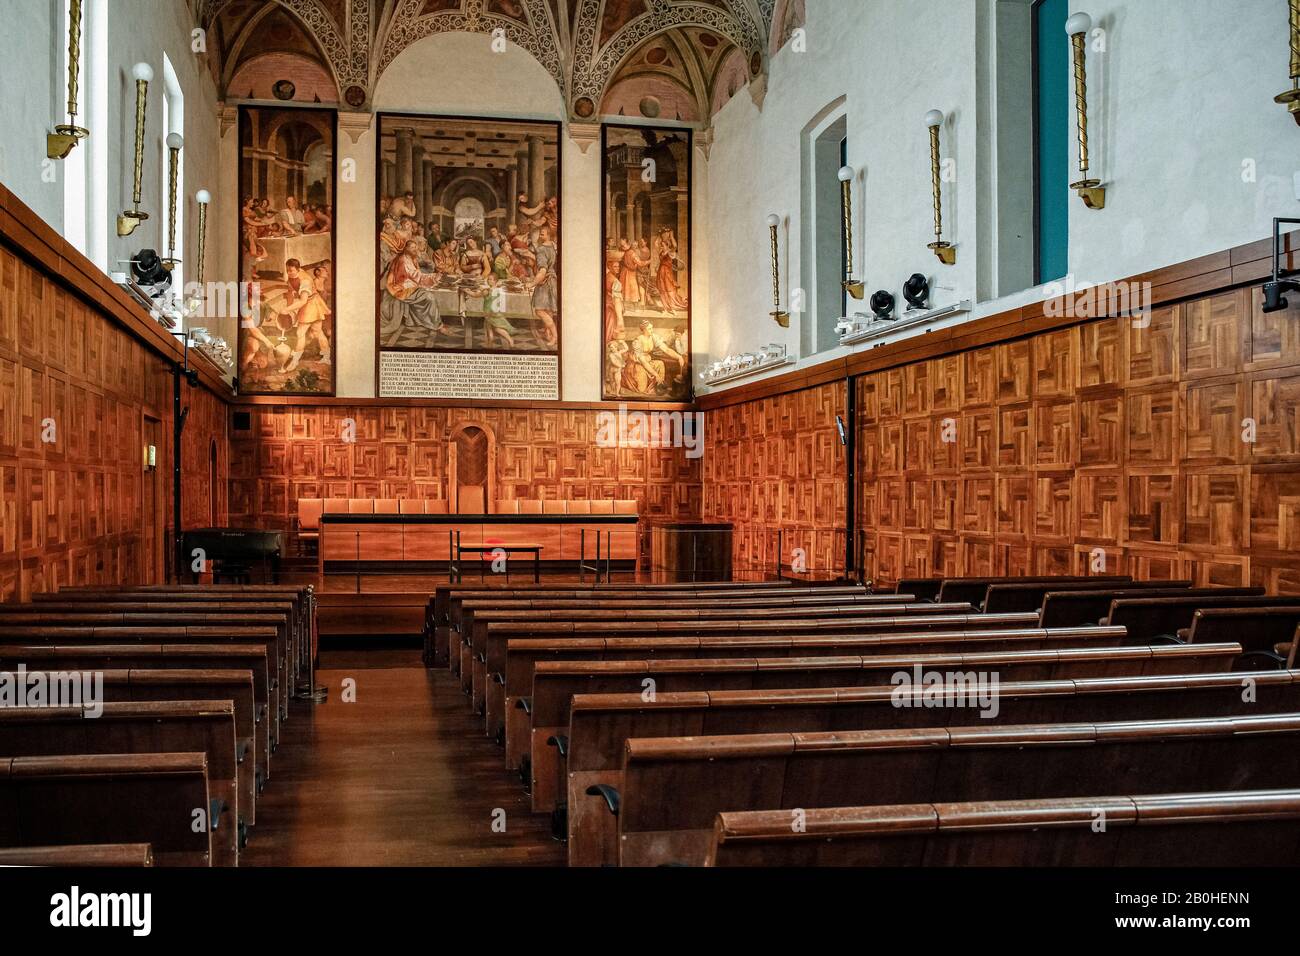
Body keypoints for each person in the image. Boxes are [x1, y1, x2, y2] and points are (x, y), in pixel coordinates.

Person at [381, 239, 456, 341]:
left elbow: (417, 274)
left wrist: (431, 275)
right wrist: (433, 277)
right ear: (406, 248)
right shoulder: (403, 259)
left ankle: (426, 321)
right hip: (401, 288)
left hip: (410, 285)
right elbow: (415, 276)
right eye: (412, 248)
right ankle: (439, 326)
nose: (415, 249)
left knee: (428, 293)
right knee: (430, 297)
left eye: (415, 248)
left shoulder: (412, 258)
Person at [527, 226, 558, 349]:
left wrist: (532, 283)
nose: (540, 236)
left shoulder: (541, 249)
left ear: (548, 235)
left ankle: (555, 336)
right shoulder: (553, 246)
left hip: (545, 282)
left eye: (542, 234)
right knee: (548, 309)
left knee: (539, 310)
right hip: (553, 281)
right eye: (540, 234)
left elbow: (543, 271)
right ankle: (548, 332)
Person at [656, 228, 689, 311]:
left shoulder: (670, 252)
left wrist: (671, 236)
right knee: (662, 289)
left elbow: (675, 246)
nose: (661, 246)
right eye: (661, 245)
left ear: (667, 245)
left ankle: (672, 307)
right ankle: (665, 308)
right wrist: (659, 235)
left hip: (667, 272)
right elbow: (656, 243)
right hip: (661, 272)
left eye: (663, 245)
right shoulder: (661, 251)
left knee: (669, 289)